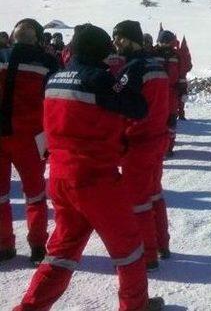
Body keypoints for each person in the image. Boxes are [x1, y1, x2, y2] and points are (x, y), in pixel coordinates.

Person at [13, 24, 164, 311]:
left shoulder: (55, 78)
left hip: (59, 178)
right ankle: (136, 306)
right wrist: (125, 77)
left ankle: (29, 308)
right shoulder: (101, 80)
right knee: (129, 249)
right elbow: (137, 107)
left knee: (61, 253)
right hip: (96, 181)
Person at [112, 21, 171, 270]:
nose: (115, 44)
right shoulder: (156, 65)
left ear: (127, 39)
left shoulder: (132, 70)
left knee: (138, 201)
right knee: (155, 193)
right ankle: (162, 244)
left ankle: (147, 256)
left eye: (118, 39)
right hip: (158, 139)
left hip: (138, 142)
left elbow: (117, 102)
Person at [0, 19, 58, 264]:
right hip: (31, 137)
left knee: (1, 196)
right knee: (35, 195)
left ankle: (4, 247)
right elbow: (57, 102)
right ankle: (37, 247)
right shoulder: (47, 62)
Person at [154, 30, 180, 158]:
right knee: (158, 122)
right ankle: (159, 147)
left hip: (172, 93)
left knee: (171, 122)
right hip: (157, 92)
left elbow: (181, 73)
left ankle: (168, 148)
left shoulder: (175, 55)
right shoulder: (152, 54)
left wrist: (183, 88)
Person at [176, 37, 192, 121]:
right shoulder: (184, 53)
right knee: (182, 98)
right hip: (182, 80)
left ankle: (174, 113)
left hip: (174, 80)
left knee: (175, 97)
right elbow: (189, 66)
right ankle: (181, 114)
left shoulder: (173, 53)